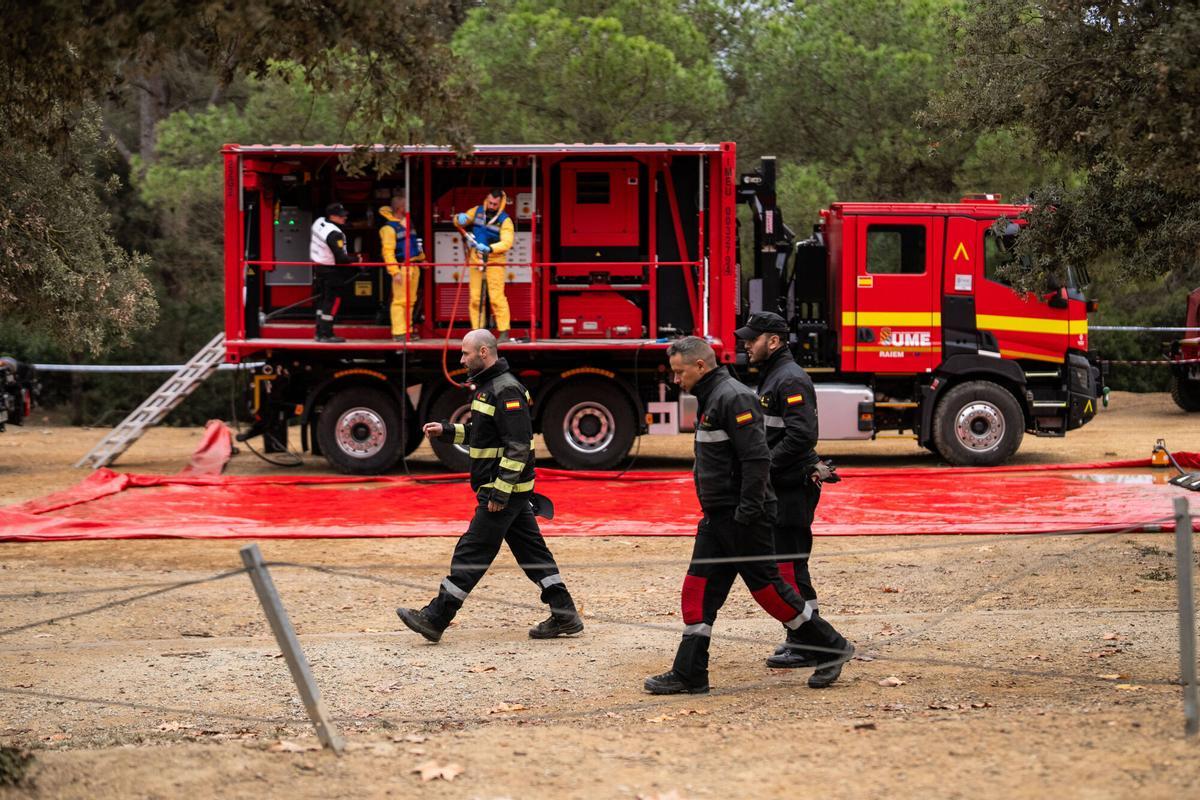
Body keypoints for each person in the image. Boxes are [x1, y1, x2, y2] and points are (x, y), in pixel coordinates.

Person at [644, 336, 846, 695]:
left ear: (700, 366)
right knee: (698, 590)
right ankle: (690, 672)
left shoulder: (733, 397)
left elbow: (756, 460)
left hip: (742, 516)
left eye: (679, 372)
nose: (676, 380)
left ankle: (832, 646)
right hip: (718, 516)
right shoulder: (713, 396)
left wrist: (748, 512)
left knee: (769, 592)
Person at [396, 329, 583, 641]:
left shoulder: (506, 390)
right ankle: (565, 615)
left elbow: (518, 447)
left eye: (465, 353)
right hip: (508, 492)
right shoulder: (489, 387)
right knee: (533, 554)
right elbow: (483, 435)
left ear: (484, 352)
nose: (461, 360)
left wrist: (500, 492)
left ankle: (435, 618)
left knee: (472, 552)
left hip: (502, 492)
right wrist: (447, 430)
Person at [734, 311, 853, 688]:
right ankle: (804, 637)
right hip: (783, 485)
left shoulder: (789, 378)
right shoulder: (775, 375)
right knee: (790, 566)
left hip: (791, 487)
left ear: (773, 341)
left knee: (789, 566)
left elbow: (802, 436)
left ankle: (810, 642)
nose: (746, 345)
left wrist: (762, 468)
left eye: (752, 339)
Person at [455, 189, 514, 343]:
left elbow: (507, 242)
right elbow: (462, 221)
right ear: (486, 199)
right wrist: (458, 218)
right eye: (490, 202)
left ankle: (504, 333)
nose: (491, 206)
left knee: (497, 298)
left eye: (495, 204)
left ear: (500, 204)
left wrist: (491, 248)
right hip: (477, 259)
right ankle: (477, 333)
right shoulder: (477, 211)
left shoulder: (505, 220)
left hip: (495, 261)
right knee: (475, 298)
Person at [379, 195, 425, 341]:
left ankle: (407, 330)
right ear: (400, 208)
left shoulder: (408, 224)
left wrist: (422, 259)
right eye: (406, 206)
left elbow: (415, 244)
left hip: (413, 266)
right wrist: (395, 271)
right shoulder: (388, 228)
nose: (409, 209)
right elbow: (388, 252)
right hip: (401, 267)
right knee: (400, 301)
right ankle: (399, 332)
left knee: (411, 301)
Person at [310, 202, 357, 343]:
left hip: (319, 268)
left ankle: (319, 332)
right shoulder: (335, 234)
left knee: (322, 301)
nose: (345, 218)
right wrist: (357, 259)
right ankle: (326, 334)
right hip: (332, 272)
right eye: (341, 216)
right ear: (332, 216)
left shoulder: (319, 222)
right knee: (332, 302)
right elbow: (341, 258)